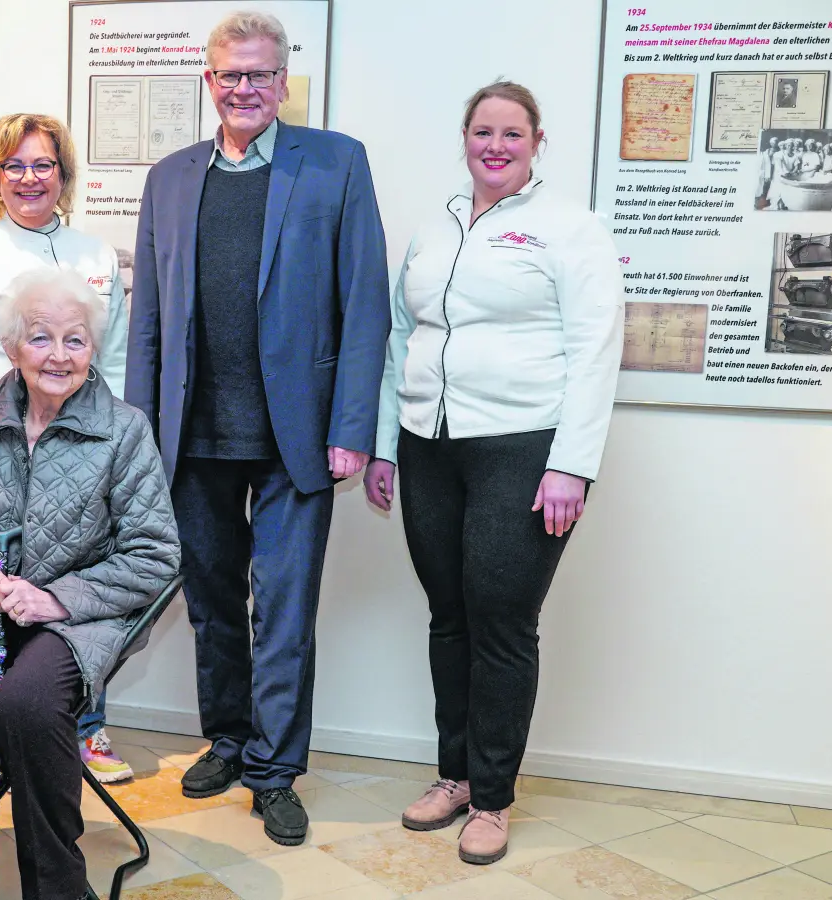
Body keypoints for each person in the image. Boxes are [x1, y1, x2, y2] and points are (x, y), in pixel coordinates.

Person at [126, 11, 390, 846]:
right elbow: (148, 321)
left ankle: (276, 771)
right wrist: (138, 434)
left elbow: (366, 305)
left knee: (282, 611)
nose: (245, 89)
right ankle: (230, 740)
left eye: (260, 74)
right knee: (210, 604)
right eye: (230, 75)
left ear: (284, 80)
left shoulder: (337, 163)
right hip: (191, 436)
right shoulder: (169, 177)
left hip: (296, 438)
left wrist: (352, 425)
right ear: (209, 81)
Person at [364, 81, 625, 865]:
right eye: (483, 131)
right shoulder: (435, 228)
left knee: (502, 620)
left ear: (537, 142)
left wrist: (571, 466)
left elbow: (595, 351)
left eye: (513, 133)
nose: (496, 145)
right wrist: (384, 444)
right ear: (466, 138)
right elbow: (399, 338)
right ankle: (454, 777)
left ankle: (495, 797)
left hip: (523, 448)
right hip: (428, 444)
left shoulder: (570, 229)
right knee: (450, 613)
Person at [0, 269, 180, 900]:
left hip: (78, 618)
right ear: (13, 347)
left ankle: (56, 885)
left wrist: (57, 598)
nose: (59, 356)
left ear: (92, 352)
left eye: (75, 341)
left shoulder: (123, 431)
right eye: (41, 338)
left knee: (25, 706)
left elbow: (156, 554)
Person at [0, 112, 135, 783]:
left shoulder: (95, 256)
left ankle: (85, 734)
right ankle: (0, 741)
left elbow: (117, 364)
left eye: (43, 165)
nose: (29, 178)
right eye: (14, 165)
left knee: (75, 595)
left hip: (80, 458)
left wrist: (117, 452)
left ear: (63, 175)